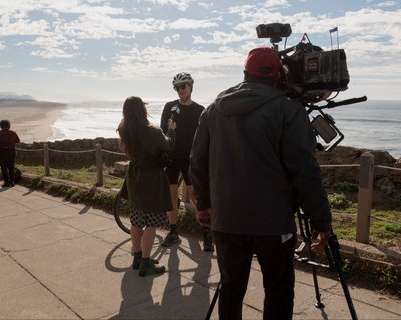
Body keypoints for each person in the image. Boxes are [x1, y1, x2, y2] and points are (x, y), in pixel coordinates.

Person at [189, 47, 332, 319]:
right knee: (278, 290)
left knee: (230, 287)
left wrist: (204, 205)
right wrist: (321, 221)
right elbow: (304, 171)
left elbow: (197, 161)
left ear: (244, 73)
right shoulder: (288, 109)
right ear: (278, 75)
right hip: (273, 222)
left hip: (226, 218)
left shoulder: (213, 109)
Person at [117, 96, 176, 277]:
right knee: (151, 223)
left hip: (134, 178)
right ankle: (146, 263)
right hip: (152, 180)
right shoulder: (153, 131)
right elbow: (168, 145)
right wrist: (172, 130)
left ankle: (137, 256)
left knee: (136, 221)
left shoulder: (124, 130)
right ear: (142, 110)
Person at [160, 72, 213, 251]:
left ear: (191, 87)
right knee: (172, 196)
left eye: (183, 86)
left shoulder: (200, 111)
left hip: (191, 160)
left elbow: (206, 138)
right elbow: (161, 132)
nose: (180, 90)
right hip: (171, 158)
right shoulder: (169, 107)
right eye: (177, 88)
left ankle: (207, 234)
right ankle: (173, 232)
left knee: (195, 196)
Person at [0, 120, 20, 187]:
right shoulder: (12, 132)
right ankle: (12, 182)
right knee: (11, 166)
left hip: (2, 151)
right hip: (11, 150)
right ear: (8, 125)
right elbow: (18, 140)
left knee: (3, 167)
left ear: (1, 125)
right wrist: (11, 141)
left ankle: (6, 182)